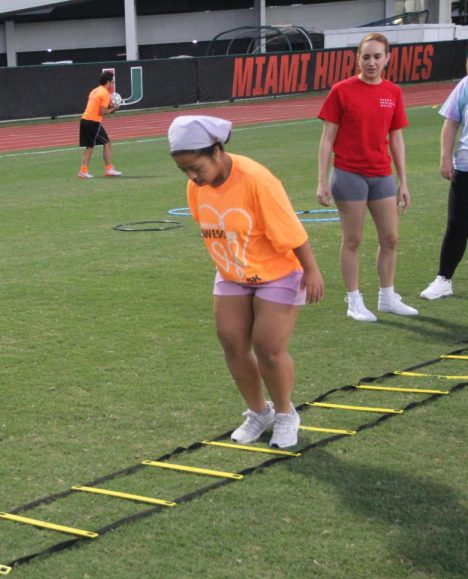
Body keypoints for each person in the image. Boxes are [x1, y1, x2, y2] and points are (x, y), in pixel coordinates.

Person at [168, 115, 324, 449]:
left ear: (217, 150)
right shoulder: (196, 187)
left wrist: (311, 270)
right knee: (232, 343)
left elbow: (291, 230)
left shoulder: (256, 179)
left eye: (196, 167)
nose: (193, 178)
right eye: (185, 171)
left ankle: (285, 415)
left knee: (268, 347)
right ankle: (259, 413)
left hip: (278, 271)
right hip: (232, 274)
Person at [316, 32, 417, 322]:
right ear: (357, 58)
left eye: (376, 56)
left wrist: (404, 181)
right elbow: (326, 138)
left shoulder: (393, 92)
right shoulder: (341, 91)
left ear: (387, 58)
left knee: (391, 238)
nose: (371, 62)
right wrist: (322, 180)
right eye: (366, 56)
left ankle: (387, 297)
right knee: (353, 240)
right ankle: (354, 301)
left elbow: (396, 139)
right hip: (349, 174)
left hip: (382, 174)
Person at [419, 57, 468, 300]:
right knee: (457, 226)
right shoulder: (465, 85)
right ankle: (444, 279)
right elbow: (451, 123)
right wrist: (445, 158)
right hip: (466, 167)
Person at [78, 71, 122, 179]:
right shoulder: (105, 93)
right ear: (108, 82)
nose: (113, 84)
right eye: (112, 82)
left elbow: (96, 105)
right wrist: (113, 108)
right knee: (107, 143)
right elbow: (102, 112)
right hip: (93, 122)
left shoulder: (95, 90)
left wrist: (110, 104)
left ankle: (83, 171)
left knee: (89, 146)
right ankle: (109, 169)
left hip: (84, 120)